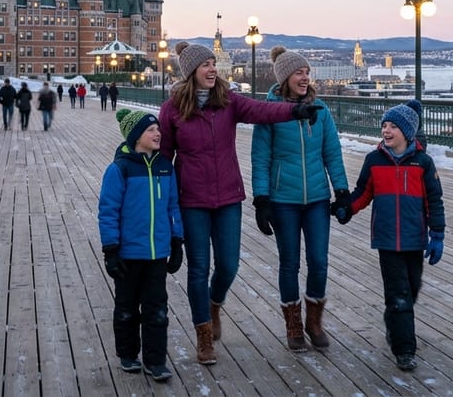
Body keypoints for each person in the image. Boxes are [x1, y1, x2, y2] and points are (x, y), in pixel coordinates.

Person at [158, 41, 322, 365]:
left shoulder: (228, 101)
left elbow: (262, 110)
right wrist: (168, 221)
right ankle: (204, 335)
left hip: (228, 198)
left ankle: (214, 304)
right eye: (205, 65)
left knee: (229, 266)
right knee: (198, 270)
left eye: (212, 64)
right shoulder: (173, 108)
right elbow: (164, 161)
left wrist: (295, 110)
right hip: (191, 200)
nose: (211, 69)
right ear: (191, 72)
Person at [251, 47, 349, 352]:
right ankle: (293, 324)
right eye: (298, 72)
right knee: (289, 263)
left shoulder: (319, 110)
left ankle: (314, 321)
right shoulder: (270, 113)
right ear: (285, 78)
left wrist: (342, 191)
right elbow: (260, 157)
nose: (305, 77)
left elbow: (332, 151)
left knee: (319, 262)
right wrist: (261, 199)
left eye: (307, 72)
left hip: (317, 199)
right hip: (284, 201)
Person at [335, 99, 445, 372]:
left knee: (412, 290)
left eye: (393, 126)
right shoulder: (374, 160)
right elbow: (363, 192)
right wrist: (347, 209)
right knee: (398, 295)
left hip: (414, 238)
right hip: (386, 239)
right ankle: (405, 349)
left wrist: (437, 234)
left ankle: (395, 325)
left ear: (407, 132)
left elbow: (435, 199)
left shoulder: (423, 163)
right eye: (384, 125)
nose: (386, 130)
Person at [99, 108, 184, 382]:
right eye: (151, 130)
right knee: (126, 307)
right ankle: (127, 353)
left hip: (157, 253)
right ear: (136, 137)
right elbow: (108, 210)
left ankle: (156, 360)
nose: (158, 133)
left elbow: (173, 206)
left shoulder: (164, 166)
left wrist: (176, 240)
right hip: (128, 253)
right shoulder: (120, 169)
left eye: (158, 129)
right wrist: (111, 250)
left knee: (156, 308)